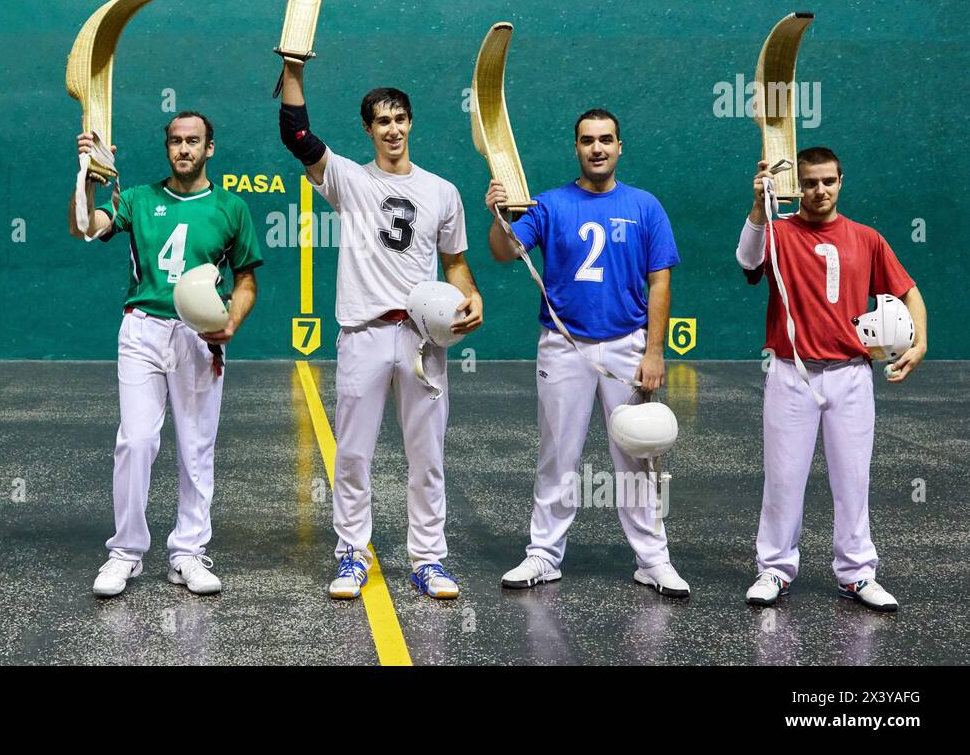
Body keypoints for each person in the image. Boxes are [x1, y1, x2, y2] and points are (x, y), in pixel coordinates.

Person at [276, 56, 483, 600]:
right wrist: (293, 72)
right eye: (381, 121)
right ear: (368, 129)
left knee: (427, 456)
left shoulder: (442, 191)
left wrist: (472, 294)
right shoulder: (347, 179)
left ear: (410, 124)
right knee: (352, 455)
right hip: (363, 334)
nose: (392, 129)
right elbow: (297, 135)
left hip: (423, 339)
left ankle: (429, 559)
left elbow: (456, 264)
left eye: (400, 119)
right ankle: (350, 555)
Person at [488, 108, 690, 598]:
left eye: (606, 140)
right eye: (587, 140)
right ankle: (543, 555)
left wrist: (655, 351)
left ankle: (653, 561)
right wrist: (496, 214)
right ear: (575, 148)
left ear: (620, 147)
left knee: (637, 456)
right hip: (563, 345)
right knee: (558, 453)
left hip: (627, 346)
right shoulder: (548, 204)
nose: (596, 148)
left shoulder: (645, 206)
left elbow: (659, 280)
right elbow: (503, 251)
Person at [70, 111, 263, 597]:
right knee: (135, 441)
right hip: (142, 331)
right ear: (167, 147)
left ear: (209, 148)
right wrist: (85, 178)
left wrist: (231, 322)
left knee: (197, 447)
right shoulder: (136, 199)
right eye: (175, 141)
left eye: (193, 141)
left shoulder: (230, 207)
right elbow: (82, 228)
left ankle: (188, 553)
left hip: (199, 335)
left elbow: (245, 280)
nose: (183, 149)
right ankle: (126, 553)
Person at [737, 149, 926, 611]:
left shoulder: (867, 238)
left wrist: (919, 342)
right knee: (783, 479)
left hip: (851, 376)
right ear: (795, 186)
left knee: (852, 479)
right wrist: (760, 204)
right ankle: (774, 570)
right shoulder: (777, 233)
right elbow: (747, 263)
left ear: (841, 181)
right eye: (809, 183)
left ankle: (857, 574)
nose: (819, 190)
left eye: (827, 181)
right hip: (791, 373)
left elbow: (907, 290)